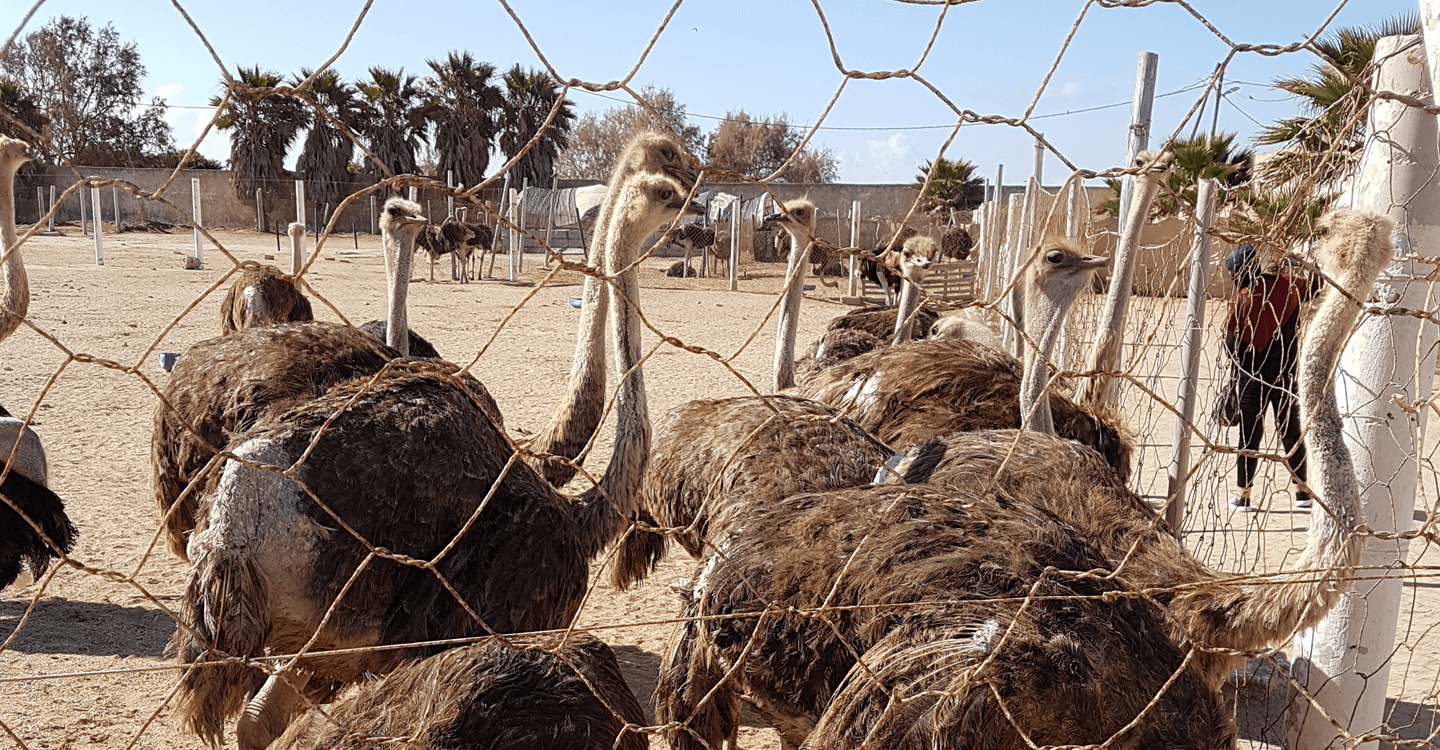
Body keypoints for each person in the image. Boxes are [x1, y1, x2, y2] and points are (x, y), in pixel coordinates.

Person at [1223, 244, 1317, 513]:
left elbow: (1231, 344)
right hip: (1286, 373)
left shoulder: (1243, 298)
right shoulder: (1288, 288)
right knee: (1290, 430)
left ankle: (1244, 496)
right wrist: (1299, 261)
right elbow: (1315, 284)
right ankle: (1302, 492)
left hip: (1252, 376)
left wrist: (1241, 367)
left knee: (1249, 434)